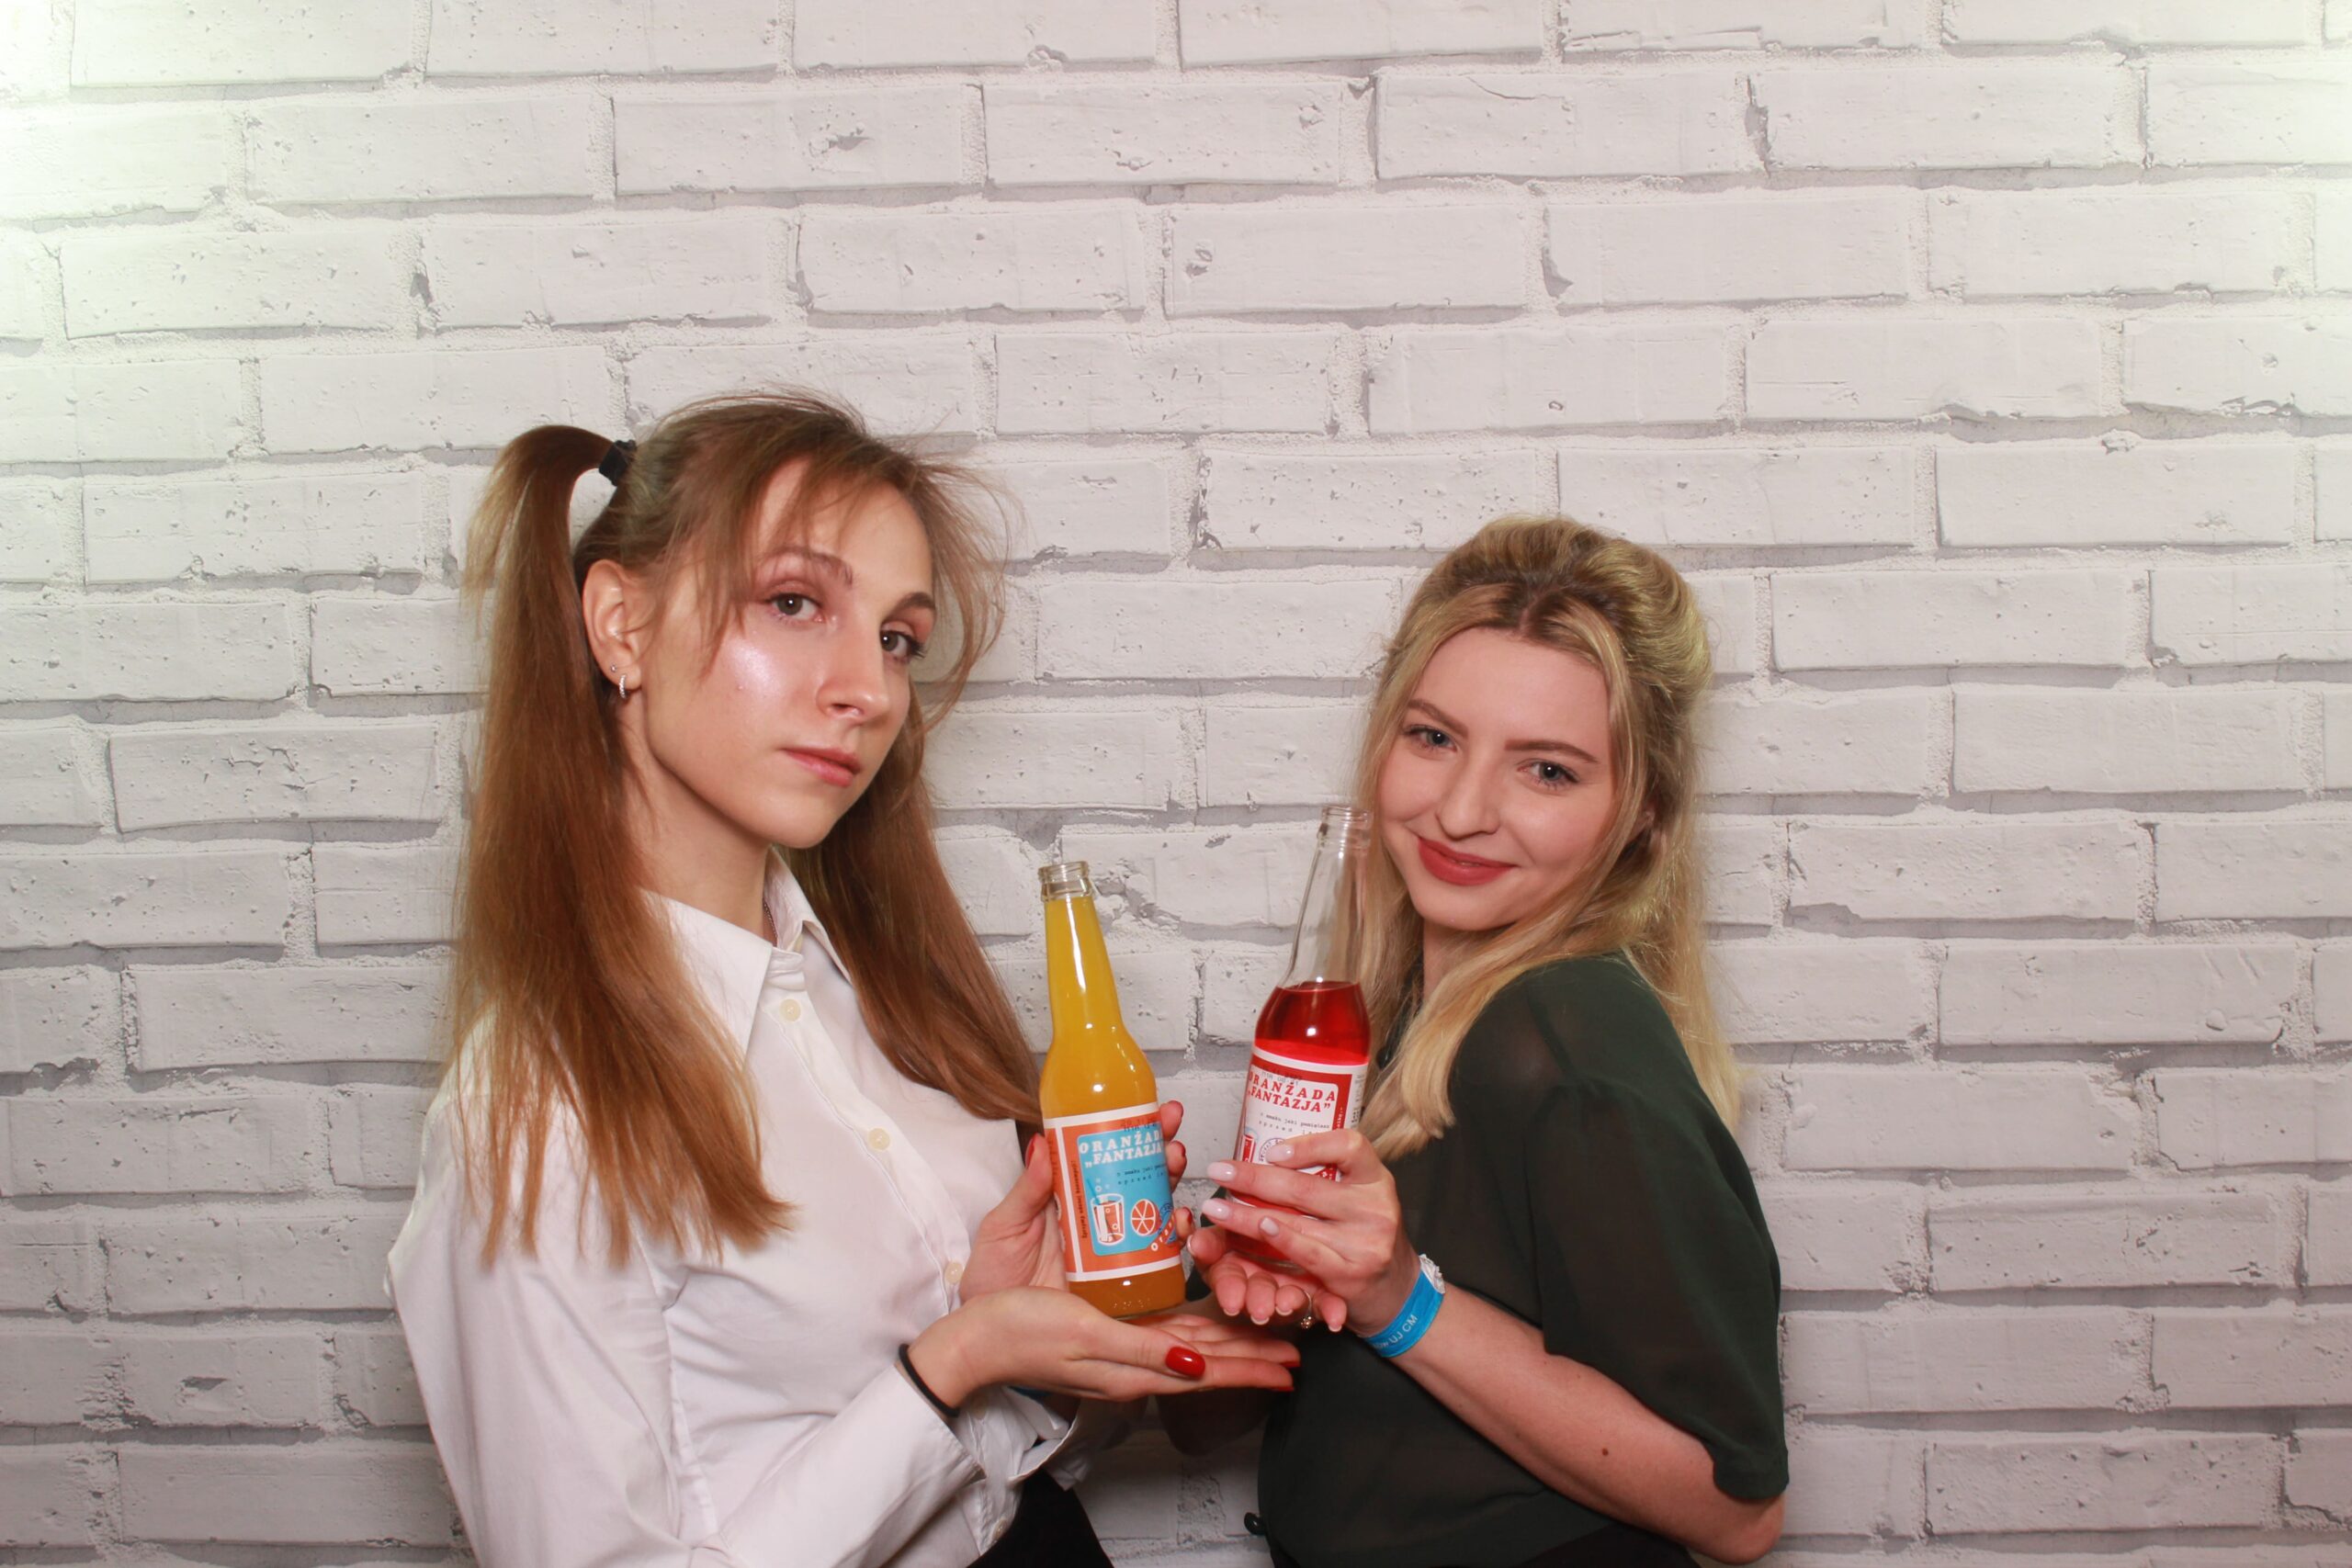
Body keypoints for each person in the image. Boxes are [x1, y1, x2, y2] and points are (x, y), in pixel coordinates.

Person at [387, 392, 1295, 1568]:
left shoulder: (887, 999)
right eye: (793, 603)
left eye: (897, 638)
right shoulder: (529, 1111)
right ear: (620, 626)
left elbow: (1002, 1462)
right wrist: (951, 1365)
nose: (867, 689)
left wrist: (1051, 1329)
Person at [1169, 518, 1787, 1568]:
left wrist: (1398, 1300)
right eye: (1433, 738)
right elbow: (1219, 1424)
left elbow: (1738, 1511)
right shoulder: (1390, 1012)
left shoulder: (1565, 1041)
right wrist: (1233, 1288)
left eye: (1545, 770)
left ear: (1641, 814)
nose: (1459, 812)